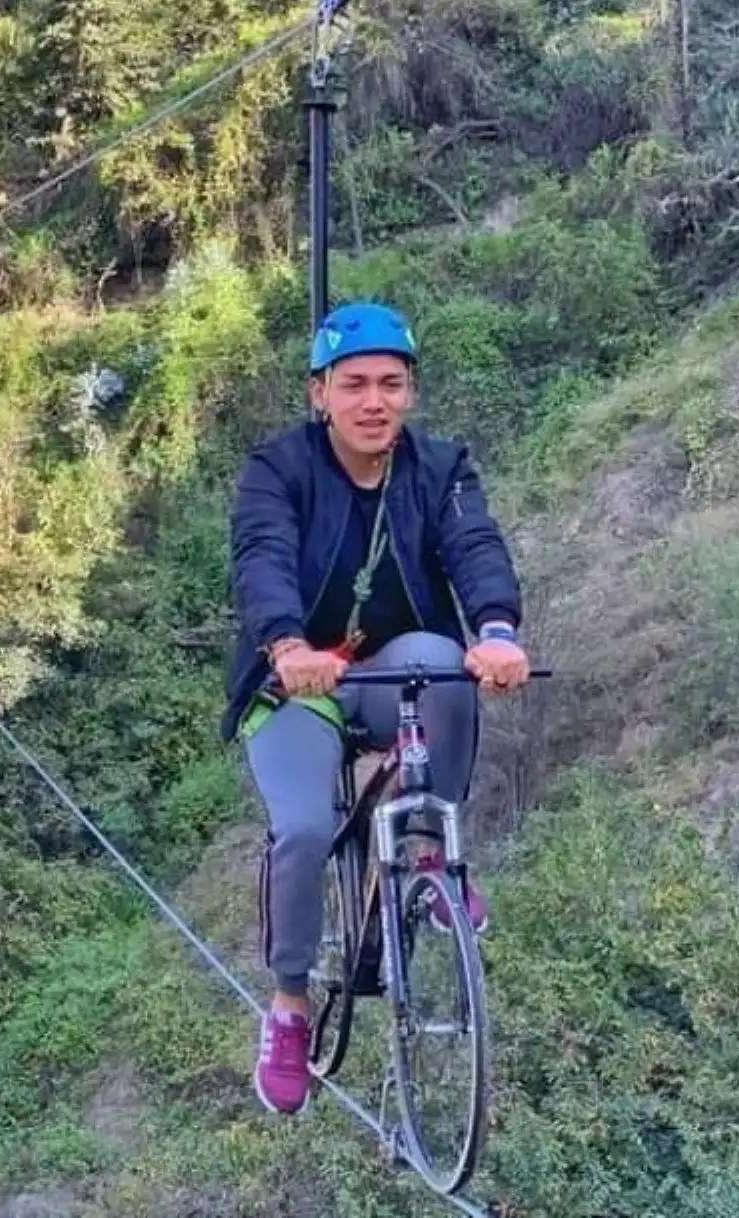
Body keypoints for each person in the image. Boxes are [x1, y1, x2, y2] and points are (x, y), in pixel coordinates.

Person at [223, 301, 532, 1116]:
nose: (373, 402)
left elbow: (475, 547)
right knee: (304, 829)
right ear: (319, 392)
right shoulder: (278, 468)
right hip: (298, 686)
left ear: (410, 393)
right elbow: (263, 558)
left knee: (444, 663)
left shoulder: (441, 469)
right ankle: (289, 1009)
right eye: (353, 384)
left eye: (390, 384)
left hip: (392, 673)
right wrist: (287, 646)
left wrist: (496, 631)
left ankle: (430, 851)